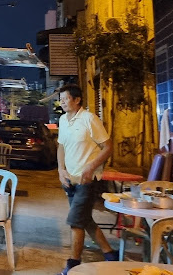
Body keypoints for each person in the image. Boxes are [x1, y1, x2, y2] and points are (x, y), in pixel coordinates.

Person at [56, 84, 119, 274]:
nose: (63, 102)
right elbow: (61, 146)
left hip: (88, 181)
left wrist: (91, 167)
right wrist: (61, 169)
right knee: (85, 220)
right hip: (70, 180)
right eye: (61, 98)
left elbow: (107, 147)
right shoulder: (62, 120)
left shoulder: (89, 119)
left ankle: (73, 264)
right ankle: (110, 254)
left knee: (76, 221)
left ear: (77, 100)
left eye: (66, 98)